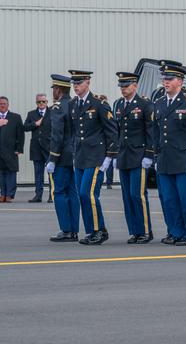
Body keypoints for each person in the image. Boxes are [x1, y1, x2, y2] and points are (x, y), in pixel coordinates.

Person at [152, 62, 186, 245]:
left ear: (180, 81)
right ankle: (175, 232)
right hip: (165, 159)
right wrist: (155, 156)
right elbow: (156, 132)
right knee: (169, 199)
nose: (165, 82)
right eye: (164, 79)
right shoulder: (158, 103)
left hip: (184, 159)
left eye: (170, 79)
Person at [69, 69, 118, 245]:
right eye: (74, 83)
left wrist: (109, 156)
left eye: (79, 83)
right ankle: (93, 230)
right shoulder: (74, 104)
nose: (76, 87)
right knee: (82, 196)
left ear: (88, 82)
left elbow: (111, 131)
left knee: (87, 193)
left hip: (96, 156)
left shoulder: (99, 103)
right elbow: (74, 131)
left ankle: (98, 230)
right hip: (81, 156)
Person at [113, 71, 156, 244]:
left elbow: (150, 131)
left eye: (126, 85)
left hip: (139, 155)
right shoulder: (118, 104)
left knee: (137, 194)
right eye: (121, 86)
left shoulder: (144, 104)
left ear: (135, 86)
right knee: (127, 196)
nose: (123, 89)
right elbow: (117, 131)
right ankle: (134, 231)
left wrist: (149, 154)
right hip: (124, 155)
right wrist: (115, 153)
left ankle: (145, 230)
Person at [46, 74, 79, 242]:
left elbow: (57, 135)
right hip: (75, 155)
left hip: (61, 157)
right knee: (73, 192)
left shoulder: (58, 107)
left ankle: (66, 229)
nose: (53, 92)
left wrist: (52, 158)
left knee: (59, 192)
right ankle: (74, 229)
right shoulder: (74, 104)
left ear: (58, 90)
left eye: (54, 89)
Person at [0, 96, 24, 202]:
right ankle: (3, 194)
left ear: (8, 105)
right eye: (0, 104)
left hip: (11, 150)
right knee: (1, 172)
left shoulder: (15, 117)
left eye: (4, 104)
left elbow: (20, 134)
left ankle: (10, 195)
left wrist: (19, 148)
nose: (2, 105)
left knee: (11, 171)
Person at [24, 93, 52, 202]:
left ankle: (52, 195)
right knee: (38, 173)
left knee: (51, 173)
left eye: (43, 101)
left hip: (49, 147)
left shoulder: (52, 113)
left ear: (46, 102)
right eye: (39, 102)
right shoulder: (31, 114)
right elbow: (25, 127)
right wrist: (35, 124)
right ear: (36, 103)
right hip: (36, 148)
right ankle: (38, 195)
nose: (41, 103)